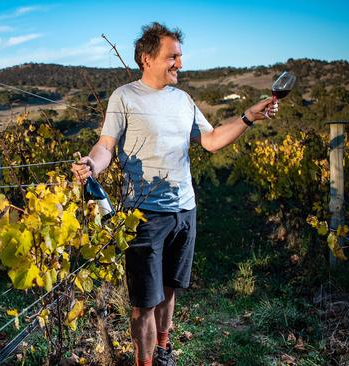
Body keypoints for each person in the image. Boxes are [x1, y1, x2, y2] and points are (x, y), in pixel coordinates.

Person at [72, 22, 278, 366]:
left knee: (169, 290)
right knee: (144, 302)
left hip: (185, 210)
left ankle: (164, 351)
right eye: (173, 57)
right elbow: (106, 146)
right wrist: (92, 165)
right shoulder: (125, 97)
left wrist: (248, 117)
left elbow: (211, 140)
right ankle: (145, 361)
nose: (180, 64)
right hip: (144, 215)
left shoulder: (183, 100)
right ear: (146, 58)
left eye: (180, 56)